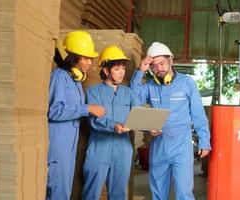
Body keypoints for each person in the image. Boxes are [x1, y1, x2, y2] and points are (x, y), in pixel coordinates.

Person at [130, 42, 211, 199]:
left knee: (183, 192)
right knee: (158, 192)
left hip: (181, 146)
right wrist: (140, 72)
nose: (158, 69)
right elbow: (133, 100)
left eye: (162, 63)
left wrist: (204, 141)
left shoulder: (187, 83)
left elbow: (198, 114)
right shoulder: (149, 86)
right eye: (154, 66)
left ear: (171, 60)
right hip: (158, 146)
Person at [47, 30, 105, 199]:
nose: (90, 62)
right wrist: (86, 109)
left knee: (64, 191)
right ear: (73, 57)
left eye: (91, 58)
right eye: (85, 58)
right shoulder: (59, 77)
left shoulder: (75, 80)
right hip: (58, 146)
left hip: (68, 145)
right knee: (57, 190)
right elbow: (54, 111)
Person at [82, 45, 140, 200]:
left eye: (123, 68)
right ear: (106, 71)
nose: (122, 72)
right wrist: (113, 126)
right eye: (117, 69)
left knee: (119, 194)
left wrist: (151, 128)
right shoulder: (94, 92)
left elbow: (139, 115)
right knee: (91, 192)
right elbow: (95, 120)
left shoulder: (128, 93)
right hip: (99, 148)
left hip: (123, 150)